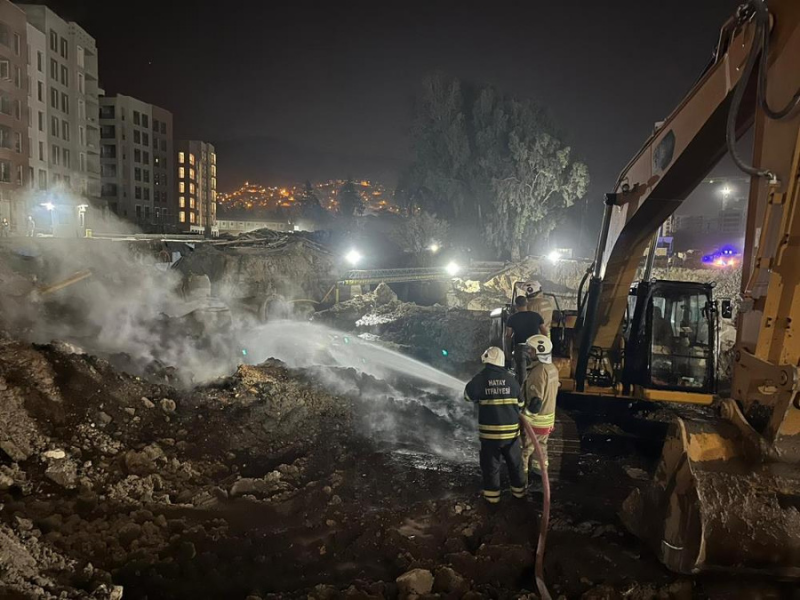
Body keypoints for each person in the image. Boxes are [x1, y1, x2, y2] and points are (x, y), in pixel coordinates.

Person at [464, 346, 527, 504]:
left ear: (486, 360)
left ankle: (492, 502)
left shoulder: (481, 378)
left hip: (490, 436)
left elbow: (467, 396)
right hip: (511, 436)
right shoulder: (512, 380)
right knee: (515, 465)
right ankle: (520, 497)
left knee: (491, 468)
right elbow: (521, 403)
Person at [521, 334, 560, 484]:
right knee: (540, 451)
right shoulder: (552, 368)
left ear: (539, 351)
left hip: (536, 422)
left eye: (531, 350)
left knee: (524, 451)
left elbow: (536, 402)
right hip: (547, 420)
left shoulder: (538, 372)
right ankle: (539, 482)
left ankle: (521, 485)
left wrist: (525, 418)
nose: (529, 352)